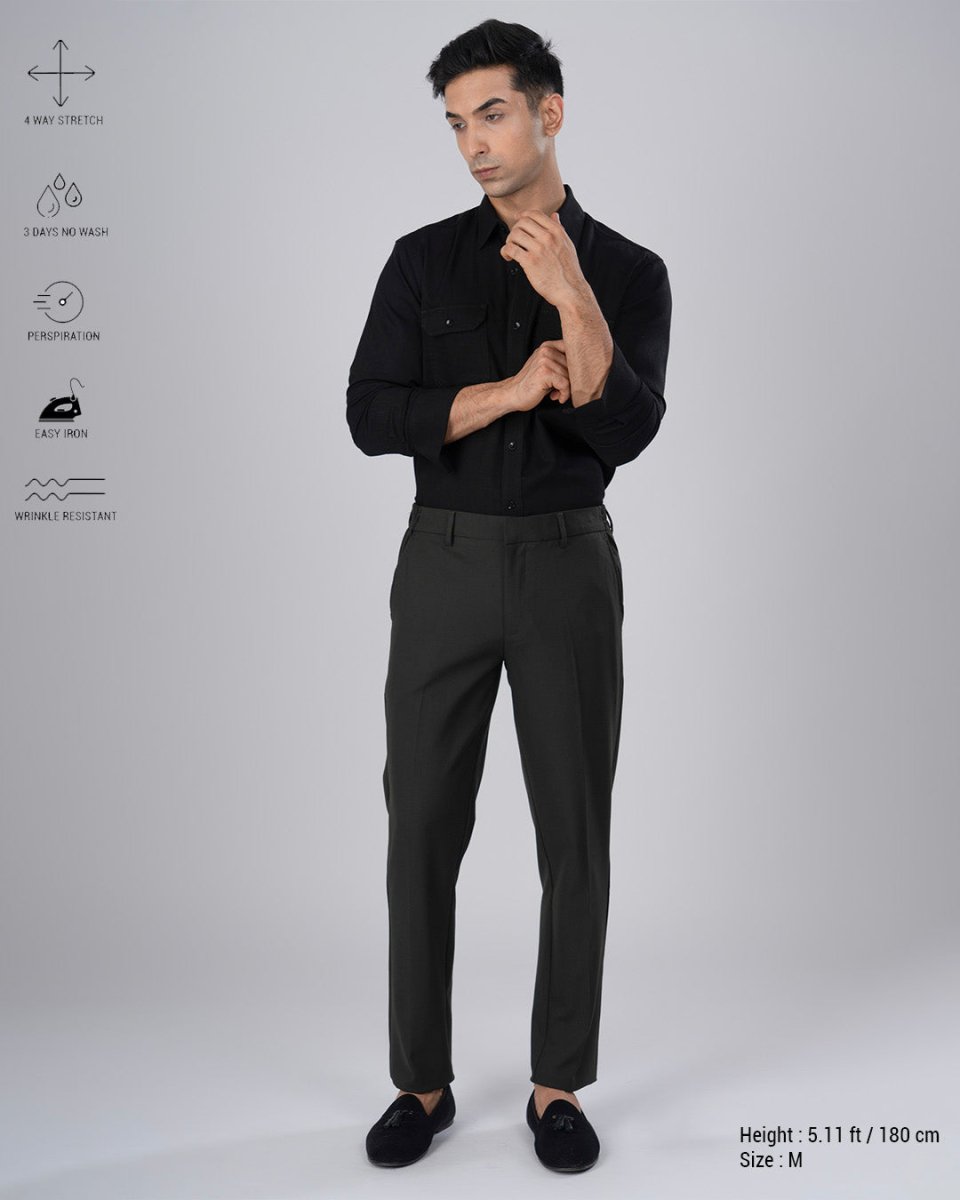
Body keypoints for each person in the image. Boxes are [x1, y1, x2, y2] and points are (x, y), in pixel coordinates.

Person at [346, 18, 671, 1173]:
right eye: (456, 124)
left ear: (549, 112)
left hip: (568, 561)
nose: (474, 144)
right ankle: (420, 1085)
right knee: (421, 823)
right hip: (442, 558)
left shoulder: (629, 272)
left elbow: (629, 429)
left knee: (575, 828)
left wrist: (571, 290)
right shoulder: (421, 261)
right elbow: (370, 414)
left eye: (491, 114)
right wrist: (506, 390)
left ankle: (557, 1086)